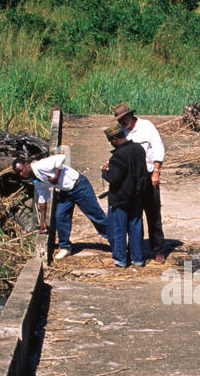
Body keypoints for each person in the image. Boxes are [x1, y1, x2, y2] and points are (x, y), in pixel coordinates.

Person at [12, 151, 110, 261]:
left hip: (79, 186)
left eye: (21, 170)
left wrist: (56, 176)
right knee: (60, 215)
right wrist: (43, 223)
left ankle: (116, 241)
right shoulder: (36, 179)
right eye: (18, 173)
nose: (21, 174)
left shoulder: (40, 166)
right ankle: (65, 247)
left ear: (26, 165)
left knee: (95, 215)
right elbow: (42, 200)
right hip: (66, 191)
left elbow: (61, 157)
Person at [112, 103, 167, 263]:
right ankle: (136, 251)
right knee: (134, 215)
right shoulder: (122, 132)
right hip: (130, 179)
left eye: (124, 119)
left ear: (131, 115)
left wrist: (156, 171)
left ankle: (158, 249)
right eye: (120, 121)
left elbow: (158, 148)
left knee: (153, 213)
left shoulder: (146, 126)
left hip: (148, 175)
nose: (123, 123)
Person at [100, 124, 148, 268]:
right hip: (136, 196)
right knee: (136, 227)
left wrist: (105, 171)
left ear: (114, 139)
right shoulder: (139, 149)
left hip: (120, 198)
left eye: (110, 141)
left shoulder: (118, 156)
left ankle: (120, 259)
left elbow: (114, 178)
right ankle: (138, 258)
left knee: (119, 229)